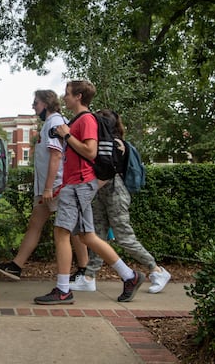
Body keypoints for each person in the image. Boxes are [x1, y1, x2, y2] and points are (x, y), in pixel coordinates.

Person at [34, 80, 144, 305]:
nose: (64, 98)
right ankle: (130, 276)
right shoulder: (77, 121)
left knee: (61, 232)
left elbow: (91, 151)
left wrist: (66, 136)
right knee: (87, 236)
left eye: (67, 94)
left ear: (79, 96)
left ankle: (63, 290)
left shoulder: (86, 120)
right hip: (77, 184)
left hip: (78, 184)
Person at [69, 109, 171, 293]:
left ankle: (156, 270)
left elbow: (108, 173)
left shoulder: (115, 144)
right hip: (102, 194)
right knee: (97, 236)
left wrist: (87, 191)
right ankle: (89, 277)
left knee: (124, 237)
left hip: (115, 193)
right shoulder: (105, 142)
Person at [0, 90, 68, 280]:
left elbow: (56, 155)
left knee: (73, 229)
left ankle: (84, 271)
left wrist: (49, 188)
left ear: (47, 104)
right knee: (36, 224)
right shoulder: (48, 124)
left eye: (36, 103)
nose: (33, 107)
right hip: (46, 189)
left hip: (56, 187)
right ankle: (16, 266)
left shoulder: (55, 122)